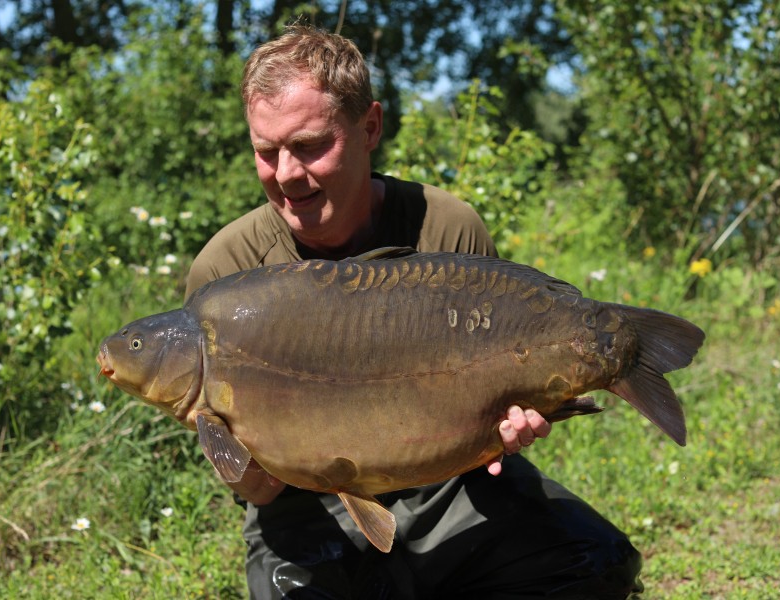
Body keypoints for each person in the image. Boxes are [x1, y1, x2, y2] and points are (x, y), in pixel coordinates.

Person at [185, 25, 643, 600]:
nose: (285, 174)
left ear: (370, 126)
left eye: (308, 146)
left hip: (451, 486)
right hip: (307, 510)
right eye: (265, 150)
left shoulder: (447, 229)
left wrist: (517, 419)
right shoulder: (225, 275)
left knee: (595, 565)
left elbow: (500, 390)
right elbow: (259, 493)